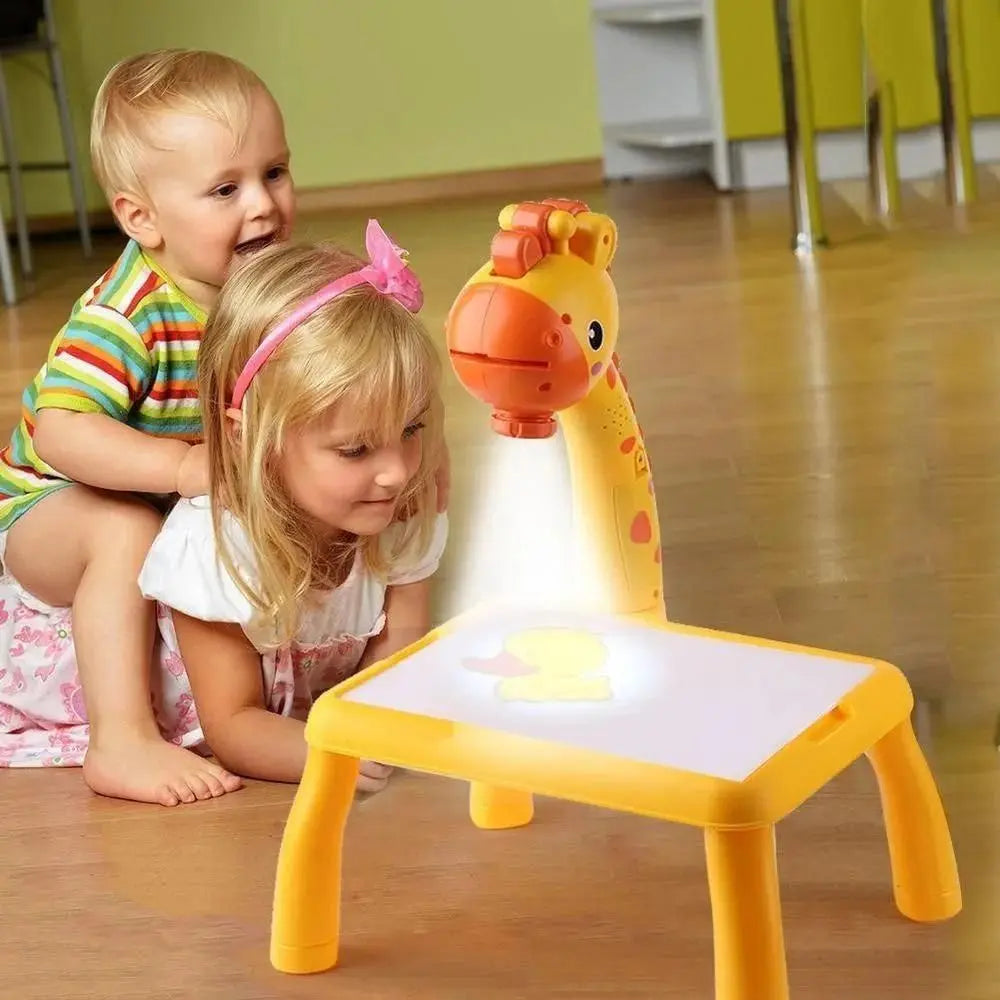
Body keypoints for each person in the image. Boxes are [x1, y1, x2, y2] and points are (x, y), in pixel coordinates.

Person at [0, 48, 451, 804]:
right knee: (123, 532)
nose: (263, 205)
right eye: (224, 189)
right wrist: (180, 472)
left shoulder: (256, 292)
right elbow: (60, 432)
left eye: (274, 172)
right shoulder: (128, 316)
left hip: (177, 496)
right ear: (139, 217)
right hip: (51, 513)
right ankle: (122, 738)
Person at [136, 228, 447, 791]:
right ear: (251, 439)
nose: (398, 471)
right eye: (355, 449)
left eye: (411, 429)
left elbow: (397, 657)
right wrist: (334, 755)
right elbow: (232, 724)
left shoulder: (397, 515)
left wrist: (384, 724)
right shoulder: (219, 547)